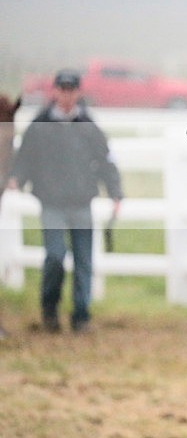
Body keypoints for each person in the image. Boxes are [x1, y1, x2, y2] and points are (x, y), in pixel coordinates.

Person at [7, 69, 122, 333]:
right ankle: (49, 309)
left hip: (82, 202)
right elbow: (25, 158)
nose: (67, 94)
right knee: (55, 257)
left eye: (71, 90)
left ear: (78, 92)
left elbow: (105, 161)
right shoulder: (39, 125)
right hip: (52, 203)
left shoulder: (88, 126)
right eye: (63, 89)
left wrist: (115, 191)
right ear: (55, 91)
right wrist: (16, 178)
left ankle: (81, 316)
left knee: (84, 261)